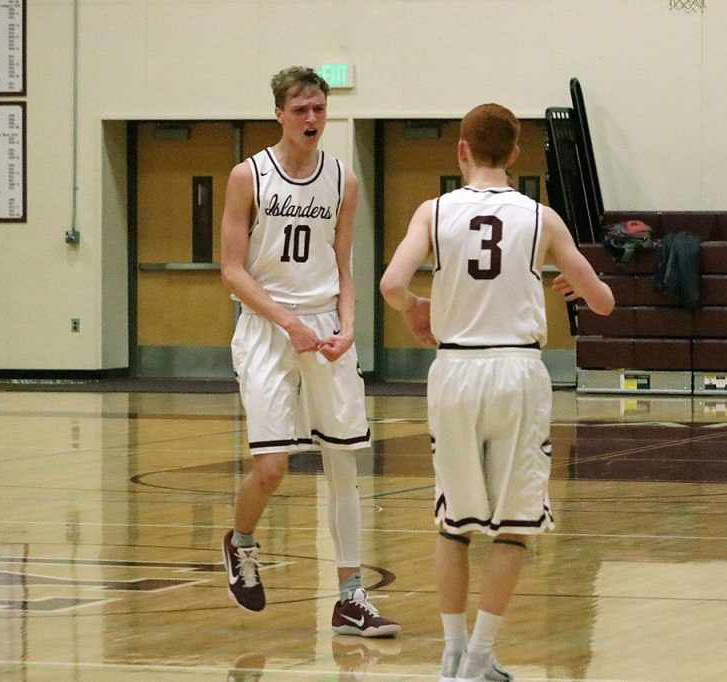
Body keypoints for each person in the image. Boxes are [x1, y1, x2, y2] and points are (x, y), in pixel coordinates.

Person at [379, 103, 614, 681]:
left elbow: (390, 284)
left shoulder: (433, 211)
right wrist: (577, 288)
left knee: (452, 524)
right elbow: (604, 302)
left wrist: (415, 308)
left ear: (461, 150)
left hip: (455, 371)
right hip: (516, 374)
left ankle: (451, 655)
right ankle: (480, 659)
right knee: (513, 527)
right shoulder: (541, 218)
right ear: (514, 155)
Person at [219, 66, 400, 638]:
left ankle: (350, 596)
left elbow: (344, 266)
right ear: (279, 113)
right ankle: (241, 541)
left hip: (324, 328)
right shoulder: (248, 176)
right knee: (272, 468)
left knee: (343, 462)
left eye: (319, 108)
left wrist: (349, 326)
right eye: (300, 110)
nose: (312, 118)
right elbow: (231, 271)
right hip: (267, 325)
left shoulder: (344, 180)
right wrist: (288, 321)